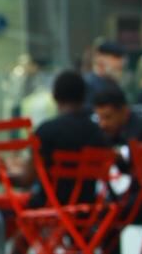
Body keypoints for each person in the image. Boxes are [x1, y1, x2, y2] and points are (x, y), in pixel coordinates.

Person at [28, 71, 110, 207]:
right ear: (84, 96)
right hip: (87, 208)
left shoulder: (46, 130)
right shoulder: (98, 132)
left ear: (55, 96)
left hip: (48, 206)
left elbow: (28, 178)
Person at [83, 39, 126, 105]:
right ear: (100, 57)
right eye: (115, 57)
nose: (119, 63)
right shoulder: (89, 84)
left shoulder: (113, 84)